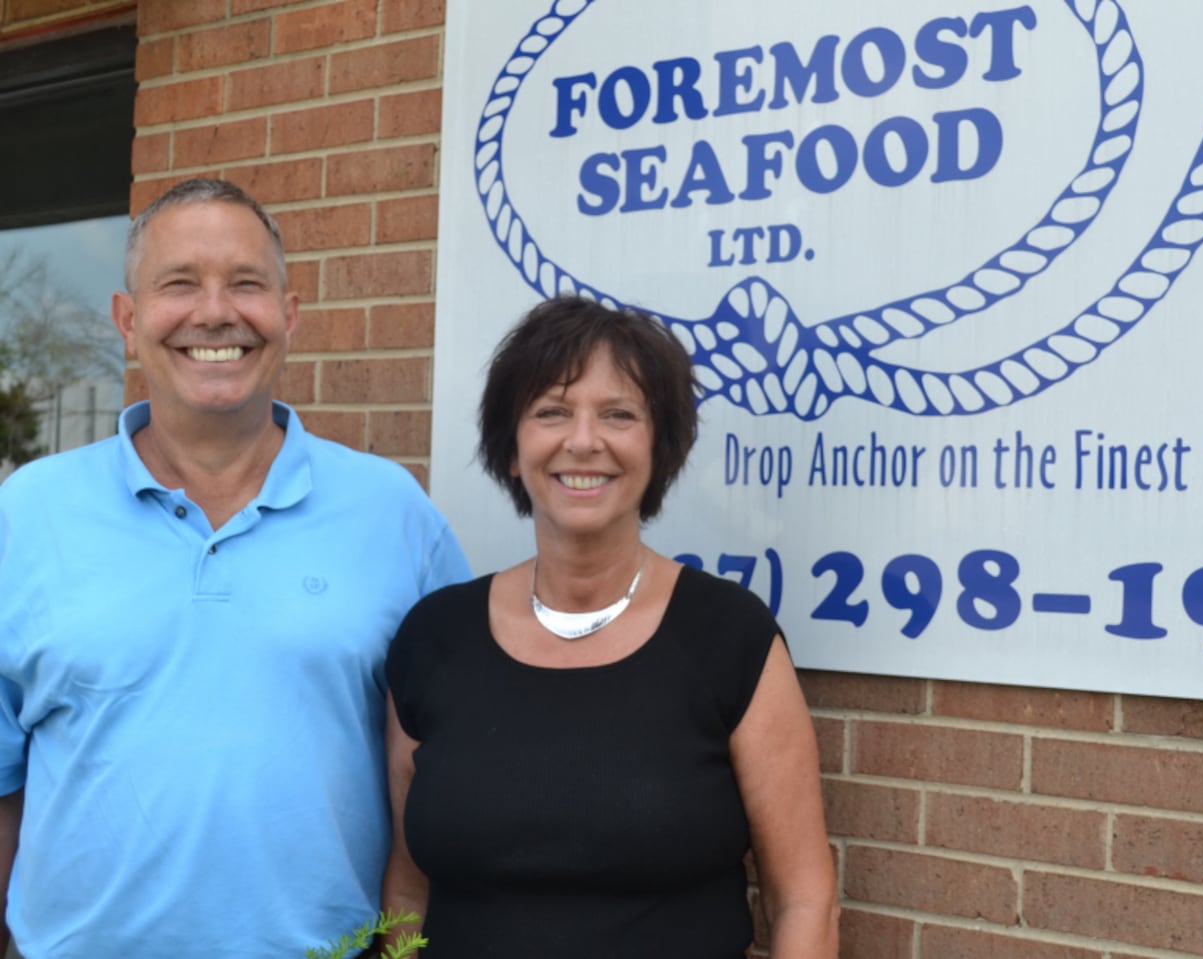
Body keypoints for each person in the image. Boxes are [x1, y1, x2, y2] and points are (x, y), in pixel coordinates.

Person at [0, 178, 472, 958]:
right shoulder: (28, 513)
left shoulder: (393, 513)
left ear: (288, 315)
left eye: (246, 284)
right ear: (127, 320)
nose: (215, 312)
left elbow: (445, 771)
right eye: (179, 283)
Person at [382, 296, 839, 957]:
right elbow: (407, 886)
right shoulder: (433, 639)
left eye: (618, 414)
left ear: (661, 447)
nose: (584, 439)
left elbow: (803, 898)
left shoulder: (729, 638)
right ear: (512, 449)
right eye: (551, 412)